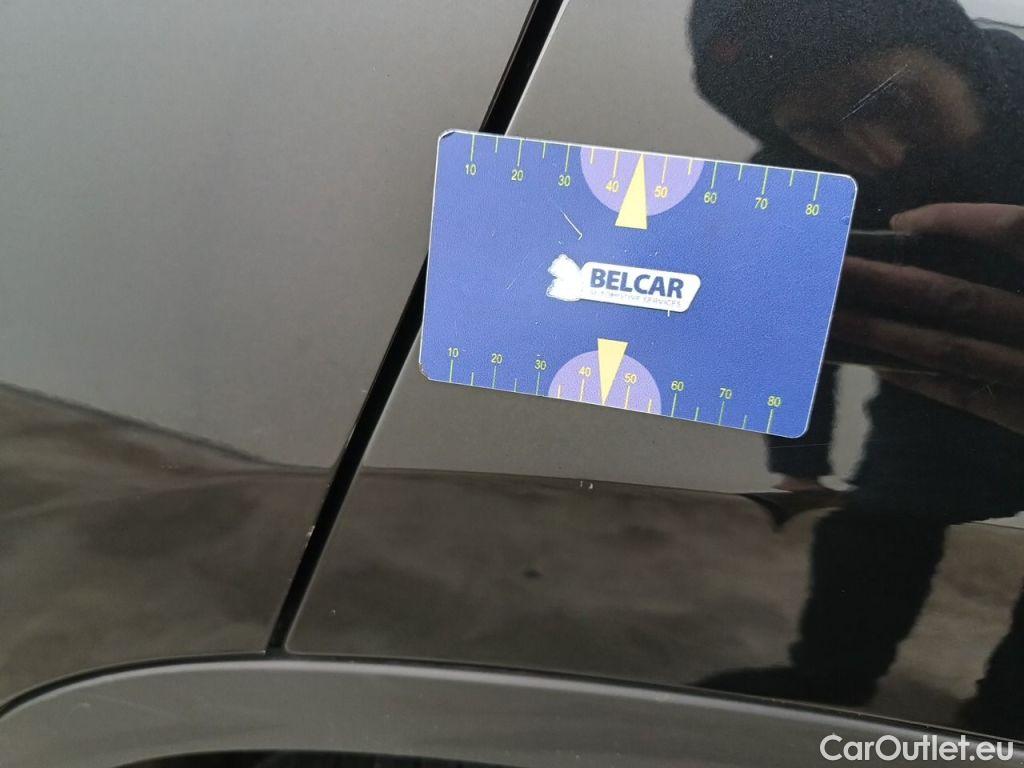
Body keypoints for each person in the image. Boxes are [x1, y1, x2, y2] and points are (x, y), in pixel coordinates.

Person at [688, 0, 1024, 738]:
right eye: (819, 128)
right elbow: (794, 329)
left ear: (957, 53)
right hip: (930, 386)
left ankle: (1003, 727)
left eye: (889, 101)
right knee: (873, 534)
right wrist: (799, 466)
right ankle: (826, 681)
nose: (876, 151)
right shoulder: (789, 175)